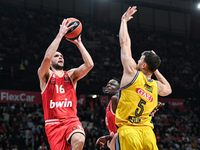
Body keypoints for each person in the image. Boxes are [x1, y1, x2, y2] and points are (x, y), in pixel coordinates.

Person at [115, 6, 172, 150]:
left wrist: (123, 21)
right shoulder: (156, 86)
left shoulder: (132, 74)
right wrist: (156, 70)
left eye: (140, 59)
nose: (138, 60)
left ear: (144, 65)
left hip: (129, 130)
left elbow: (124, 44)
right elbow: (168, 89)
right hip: (147, 133)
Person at [37, 19, 94, 150]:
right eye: (56, 56)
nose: (60, 57)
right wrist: (60, 34)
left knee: (79, 140)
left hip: (71, 120)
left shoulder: (71, 75)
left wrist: (79, 44)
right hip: (53, 125)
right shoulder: (45, 76)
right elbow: (46, 58)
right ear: (51, 62)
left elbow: (89, 65)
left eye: (62, 56)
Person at [95, 79, 165, 150]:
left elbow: (134, 97)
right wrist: (107, 137)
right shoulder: (109, 105)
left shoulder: (116, 98)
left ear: (119, 89)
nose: (108, 86)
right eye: (107, 84)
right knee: (110, 141)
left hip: (128, 139)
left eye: (112, 84)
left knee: (113, 140)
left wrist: (150, 104)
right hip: (125, 138)